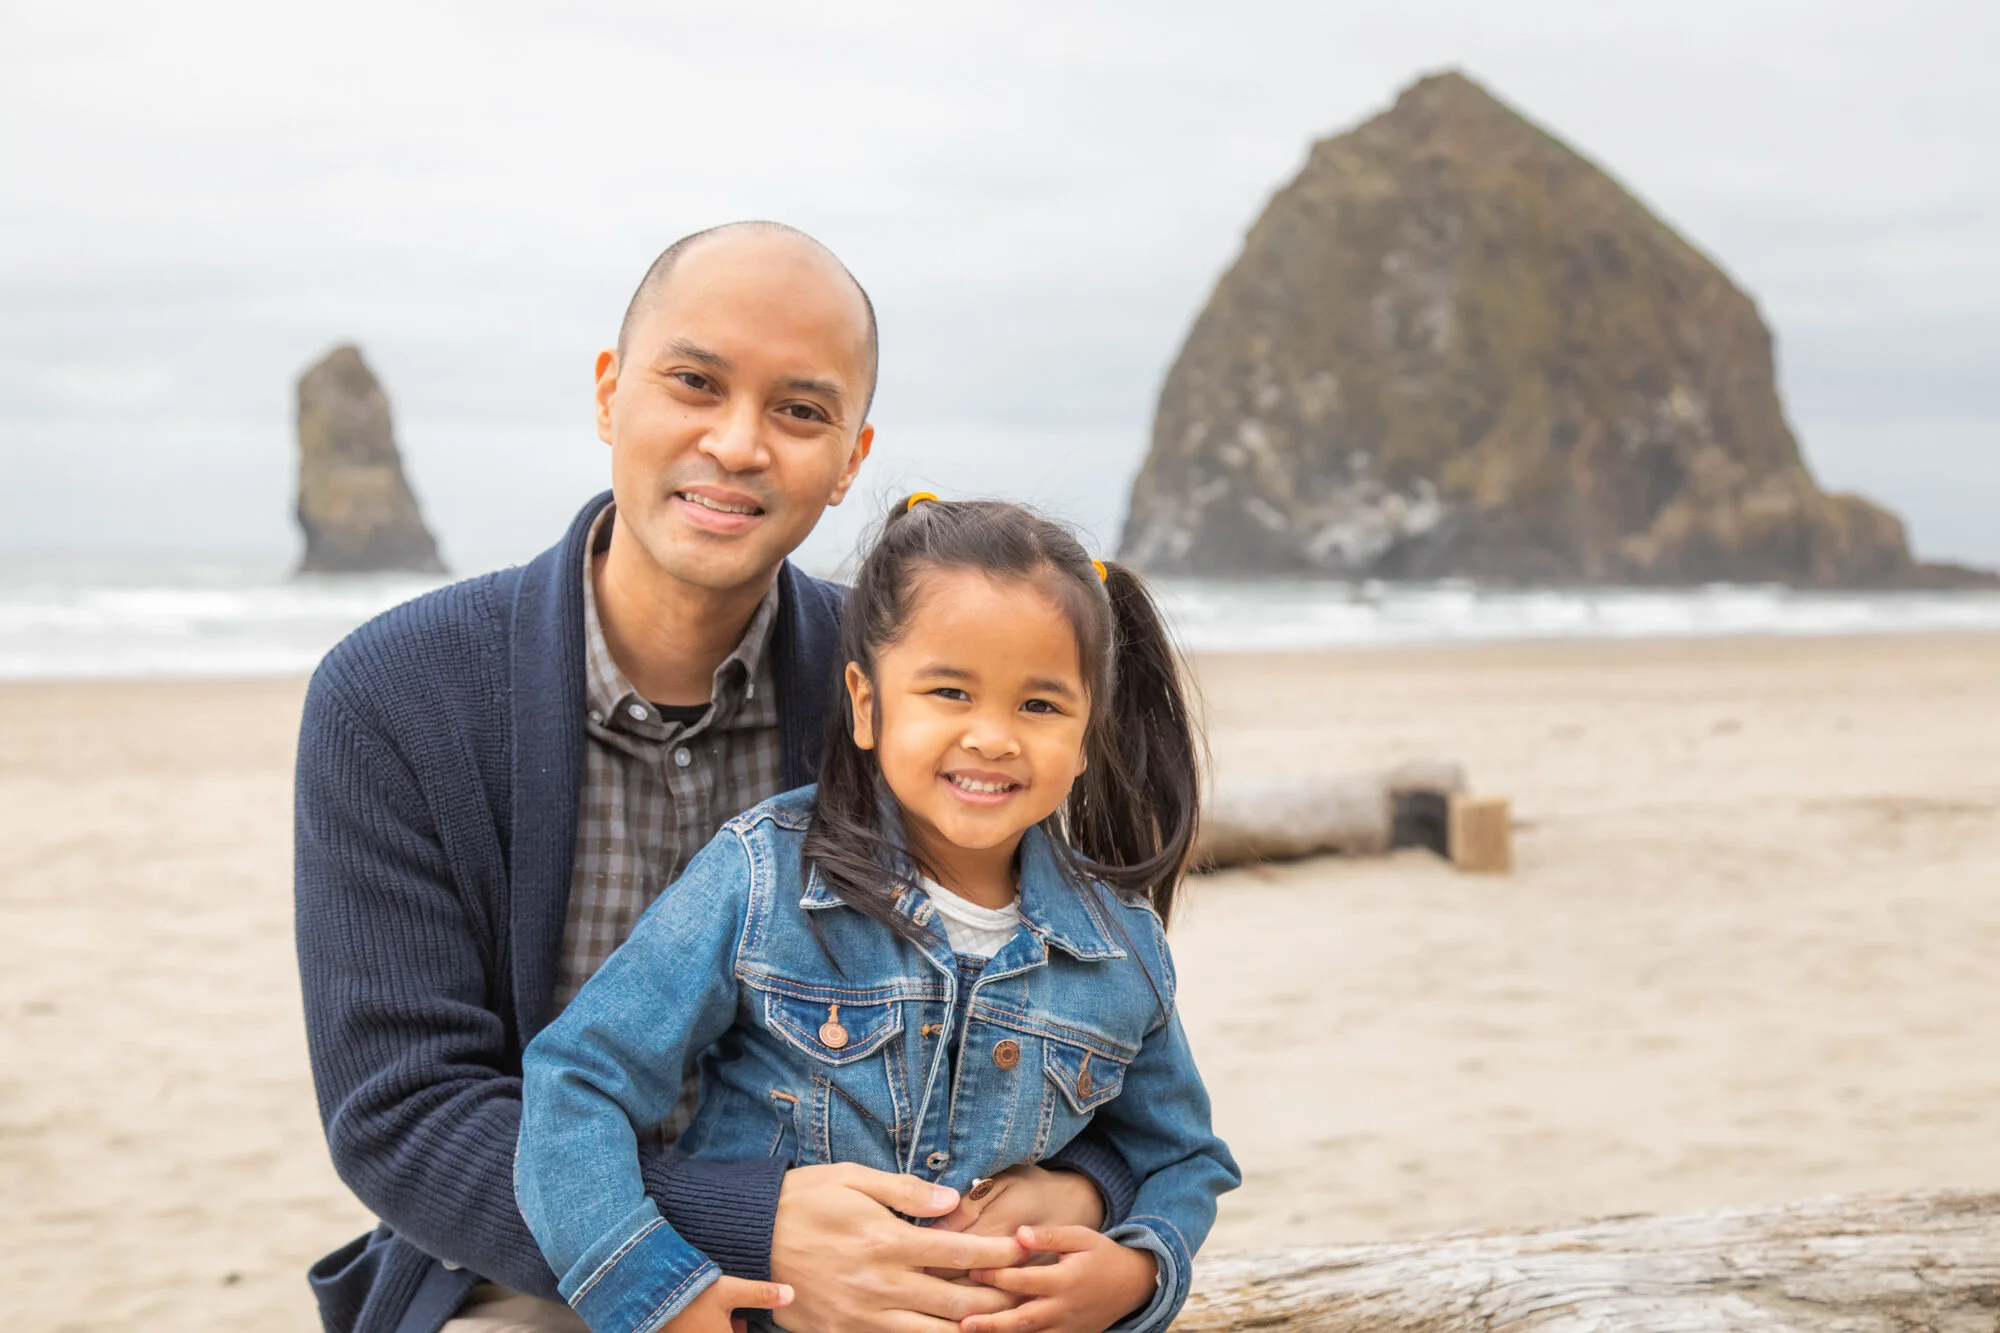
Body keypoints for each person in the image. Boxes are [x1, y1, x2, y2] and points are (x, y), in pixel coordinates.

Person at [294, 223, 1137, 1333]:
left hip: (892, 1256)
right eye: (693, 382)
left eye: (799, 410)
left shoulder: (914, 701)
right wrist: (752, 1222)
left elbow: (1092, 1015)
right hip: (525, 1271)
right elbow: (401, 1116)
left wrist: (1084, 1192)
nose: (737, 443)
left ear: (848, 459)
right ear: (609, 395)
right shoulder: (396, 694)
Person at [515, 497, 1240, 1333]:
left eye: (1039, 706)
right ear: (866, 703)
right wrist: (652, 1291)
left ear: (1085, 737)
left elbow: (1183, 1155)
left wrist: (1140, 1272)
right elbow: (578, 1081)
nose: (994, 737)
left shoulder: (1120, 949)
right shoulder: (764, 881)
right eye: (950, 691)